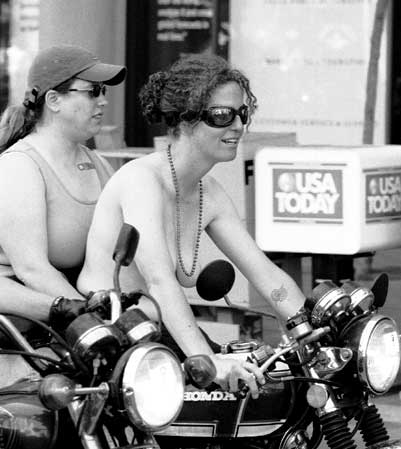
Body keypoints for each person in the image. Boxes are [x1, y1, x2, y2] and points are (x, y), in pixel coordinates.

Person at [78, 53, 306, 397]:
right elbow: (158, 280)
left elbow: (265, 274)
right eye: (221, 115)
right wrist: (208, 359)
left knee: (270, 389)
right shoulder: (142, 181)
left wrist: (311, 327)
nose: (238, 126)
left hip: (155, 333)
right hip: (108, 338)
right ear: (184, 120)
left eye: (241, 113)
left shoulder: (208, 192)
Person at [0, 44, 126, 331]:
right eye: (93, 91)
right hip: (26, 322)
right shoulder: (19, 166)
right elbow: (33, 270)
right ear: (54, 100)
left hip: (81, 309)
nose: (103, 101)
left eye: (104, 91)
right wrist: (105, 326)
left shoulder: (99, 164)